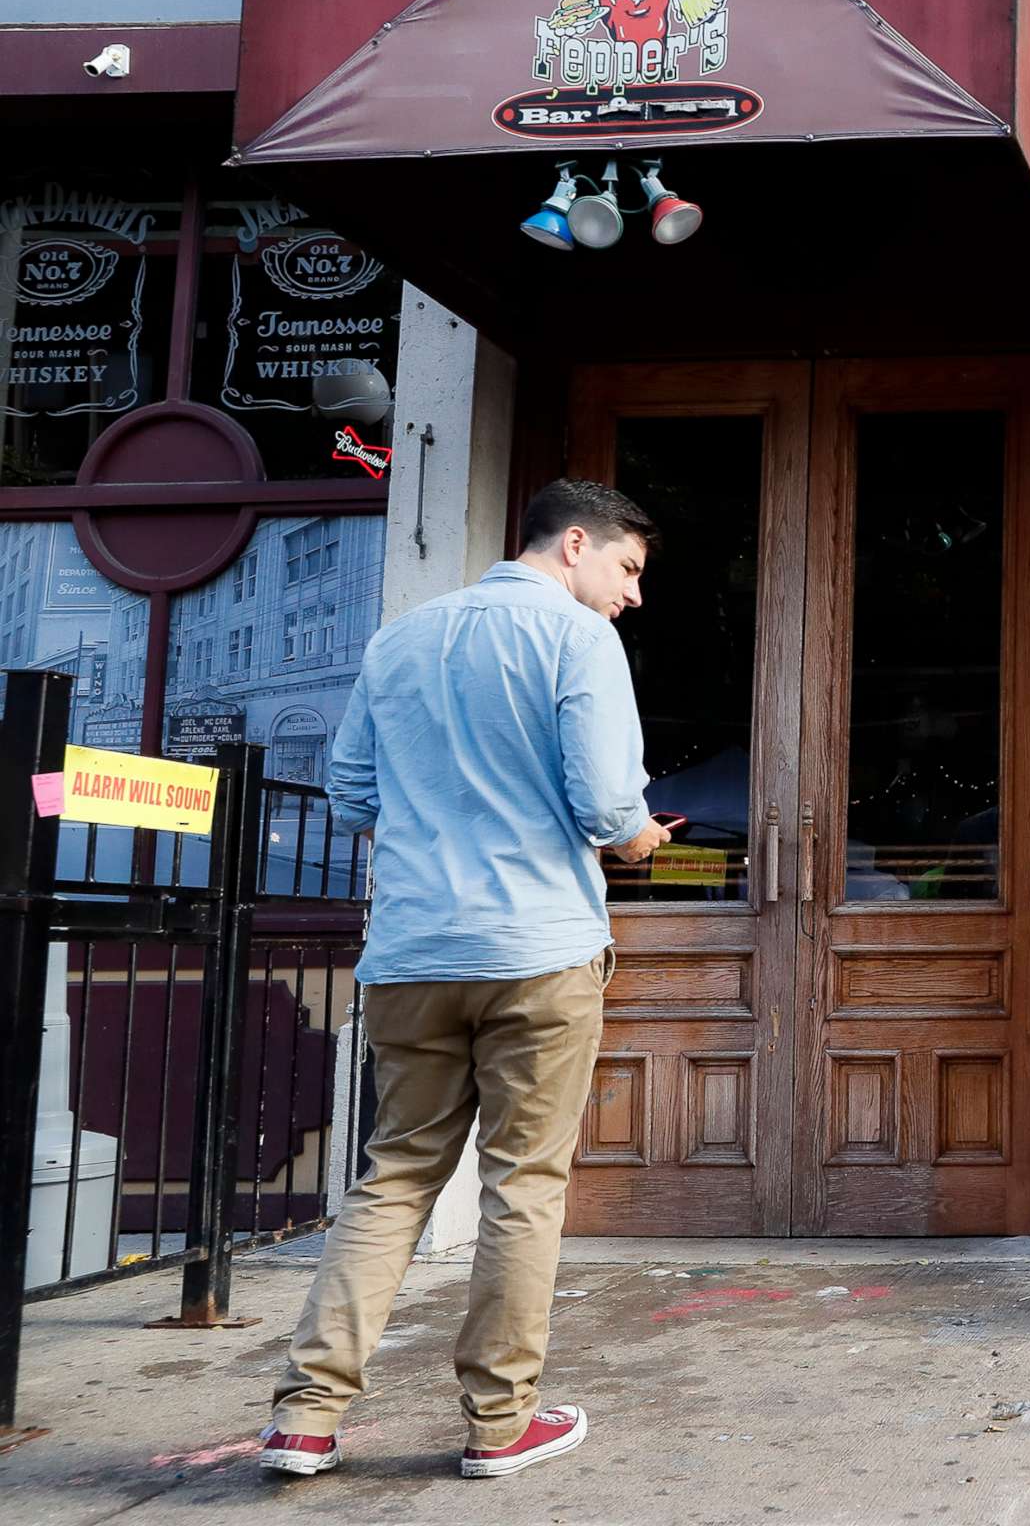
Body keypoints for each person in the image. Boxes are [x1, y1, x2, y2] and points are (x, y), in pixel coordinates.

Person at [260, 479, 670, 1482]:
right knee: (523, 1185)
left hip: (409, 954)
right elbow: (606, 802)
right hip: (537, 951)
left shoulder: (400, 639)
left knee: (394, 1175)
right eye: (628, 568)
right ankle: (498, 1423)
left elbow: (351, 791)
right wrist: (643, 838)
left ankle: (306, 1420)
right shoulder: (579, 642)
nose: (633, 595)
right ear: (574, 545)